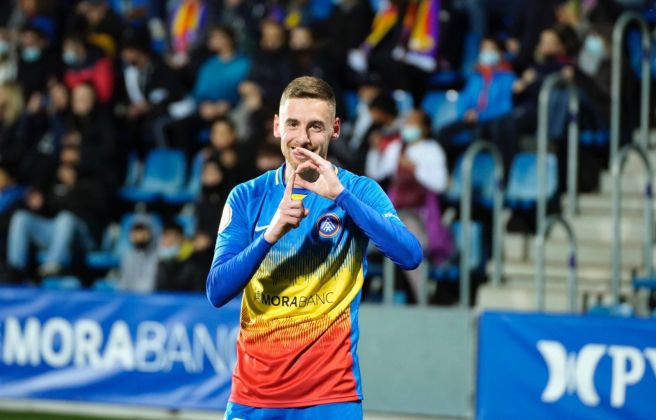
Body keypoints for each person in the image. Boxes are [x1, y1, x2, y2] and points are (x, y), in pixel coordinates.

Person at [206, 76, 422, 419]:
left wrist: (342, 197)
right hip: (253, 396)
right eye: (292, 124)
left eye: (315, 126)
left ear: (335, 129)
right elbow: (217, 291)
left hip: (330, 396)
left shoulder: (358, 191)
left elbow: (410, 255)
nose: (303, 138)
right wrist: (270, 235)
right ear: (277, 126)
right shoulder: (247, 196)